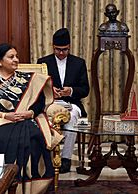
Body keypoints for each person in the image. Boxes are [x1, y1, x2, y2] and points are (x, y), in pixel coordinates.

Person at [0, 43, 63, 194]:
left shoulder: (27, 79)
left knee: (33, 138)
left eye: (16, 56)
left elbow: (40, 102)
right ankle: (2, 184)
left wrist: (31, 113)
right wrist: (5, 115)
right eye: (11, 57)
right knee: (0, 139)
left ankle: (30, 188)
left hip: (26, 120)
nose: (16, 59)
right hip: (0, 121)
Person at [37, 28, 89, 173]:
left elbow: (85, 89)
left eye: (64, 50)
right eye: (58, 50)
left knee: (71, 118)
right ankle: (48, 156)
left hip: (72, 103)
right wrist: (50, 91)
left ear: (69, 47)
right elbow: (37, 88)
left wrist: (70, 91)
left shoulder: (79, 63)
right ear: (53, 47)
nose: (61, 53)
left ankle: (65, 159)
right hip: (50, 103)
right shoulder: (43, 62)